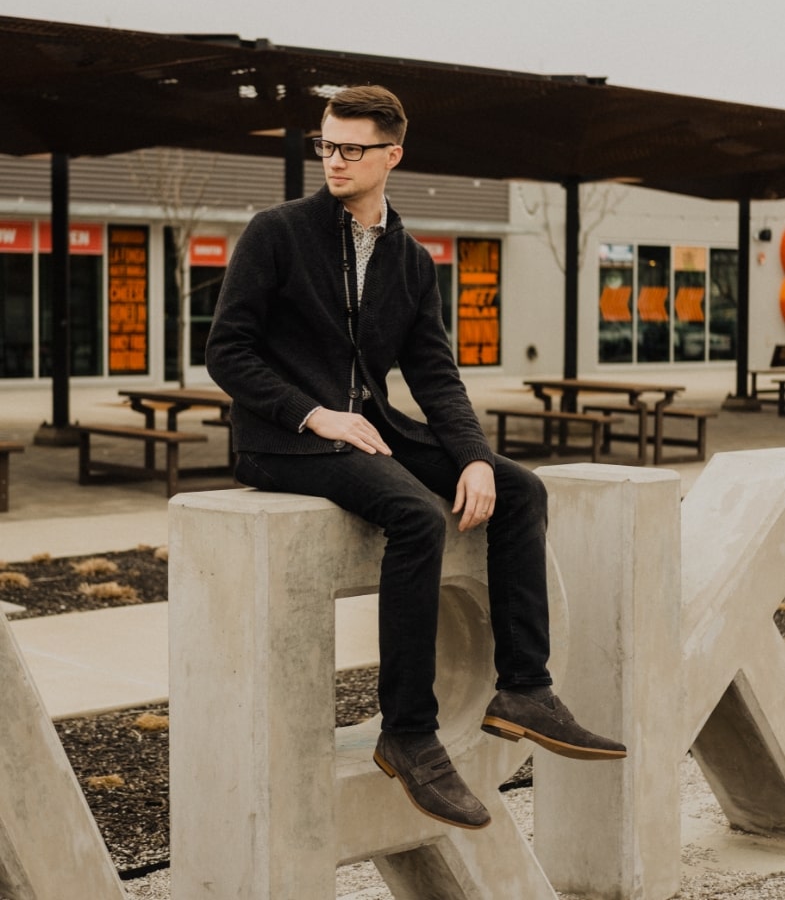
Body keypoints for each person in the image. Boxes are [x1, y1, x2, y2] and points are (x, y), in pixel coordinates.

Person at [205, 84, 626, 831]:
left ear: (391, 155)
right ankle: (407, 730)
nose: (334, 159)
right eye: (325, 145)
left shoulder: (409, 259)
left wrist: (472, 457)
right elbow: (227, 352)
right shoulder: (276, 232)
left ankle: (524, 689)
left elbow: (434, 374)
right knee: (412, 517)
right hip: (282, 439)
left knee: (517, 489)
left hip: (371, 426)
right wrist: (315, 414)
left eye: (352, 147)